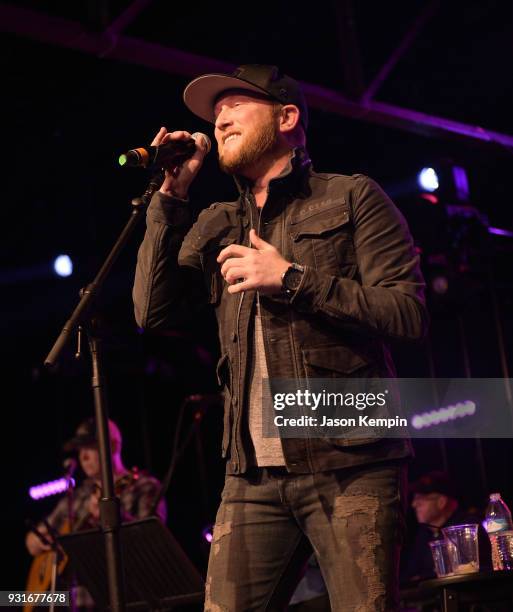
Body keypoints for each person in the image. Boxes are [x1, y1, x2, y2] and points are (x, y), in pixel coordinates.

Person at [133, 64, 428, 611]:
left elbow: (407, 312)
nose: (219, 119)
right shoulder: (216, 221)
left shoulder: (352, 196)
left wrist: (292, 279)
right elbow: (152, 312)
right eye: (213, 112)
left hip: (351, 463)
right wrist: (171, 196)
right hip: (252, 476)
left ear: (287, 118)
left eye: (235, 104)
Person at [25, 418, 167, 606]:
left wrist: (113, 518)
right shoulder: (77, 496)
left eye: (90, 447)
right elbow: (38, 535)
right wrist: (33, 541)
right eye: (80, 449)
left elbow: (151, 544)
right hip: (71, 602)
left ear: (114, 447)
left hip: (119, 598)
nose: (82, 456)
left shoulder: (144, 487)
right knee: (8, 599)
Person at [400, 470, 491, 583]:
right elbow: (409, 575)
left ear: (441, 502)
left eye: (421, 499)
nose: (414, 504)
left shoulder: (466, 529)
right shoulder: (423, 534)